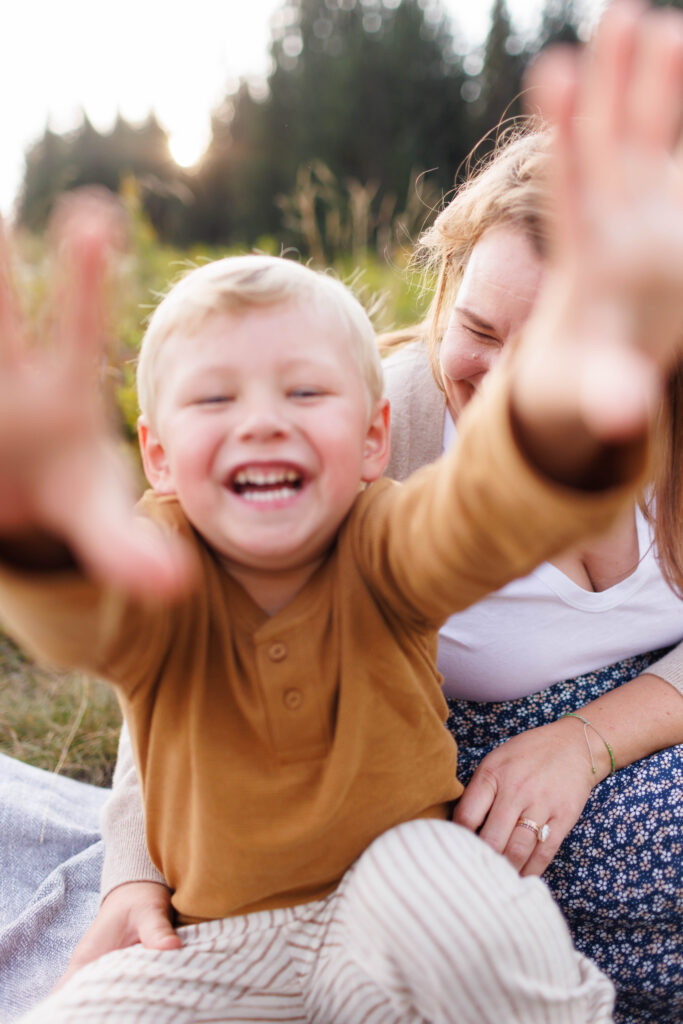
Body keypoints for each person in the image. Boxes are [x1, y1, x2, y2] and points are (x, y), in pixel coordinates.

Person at [0, 6, 681, 1019]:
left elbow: (502, 494)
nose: (495, 385)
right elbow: (160, 646)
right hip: (422, 809)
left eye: (547, 357)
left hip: (578, 771)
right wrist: (133, 870)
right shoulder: (377, 431)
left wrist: (586, 740)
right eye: (479, 328)